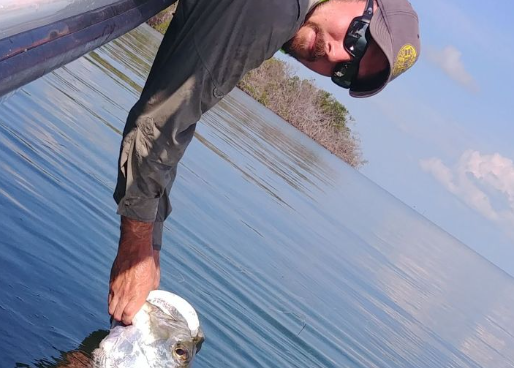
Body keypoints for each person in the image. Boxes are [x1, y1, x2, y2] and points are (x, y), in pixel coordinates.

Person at [108, 0, 421, 324]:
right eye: (358, 40)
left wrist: (151, 246)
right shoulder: (278, 9)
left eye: (344, 74)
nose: (336, 56)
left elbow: (176, 114)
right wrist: (136, 252)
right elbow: (160, 126)